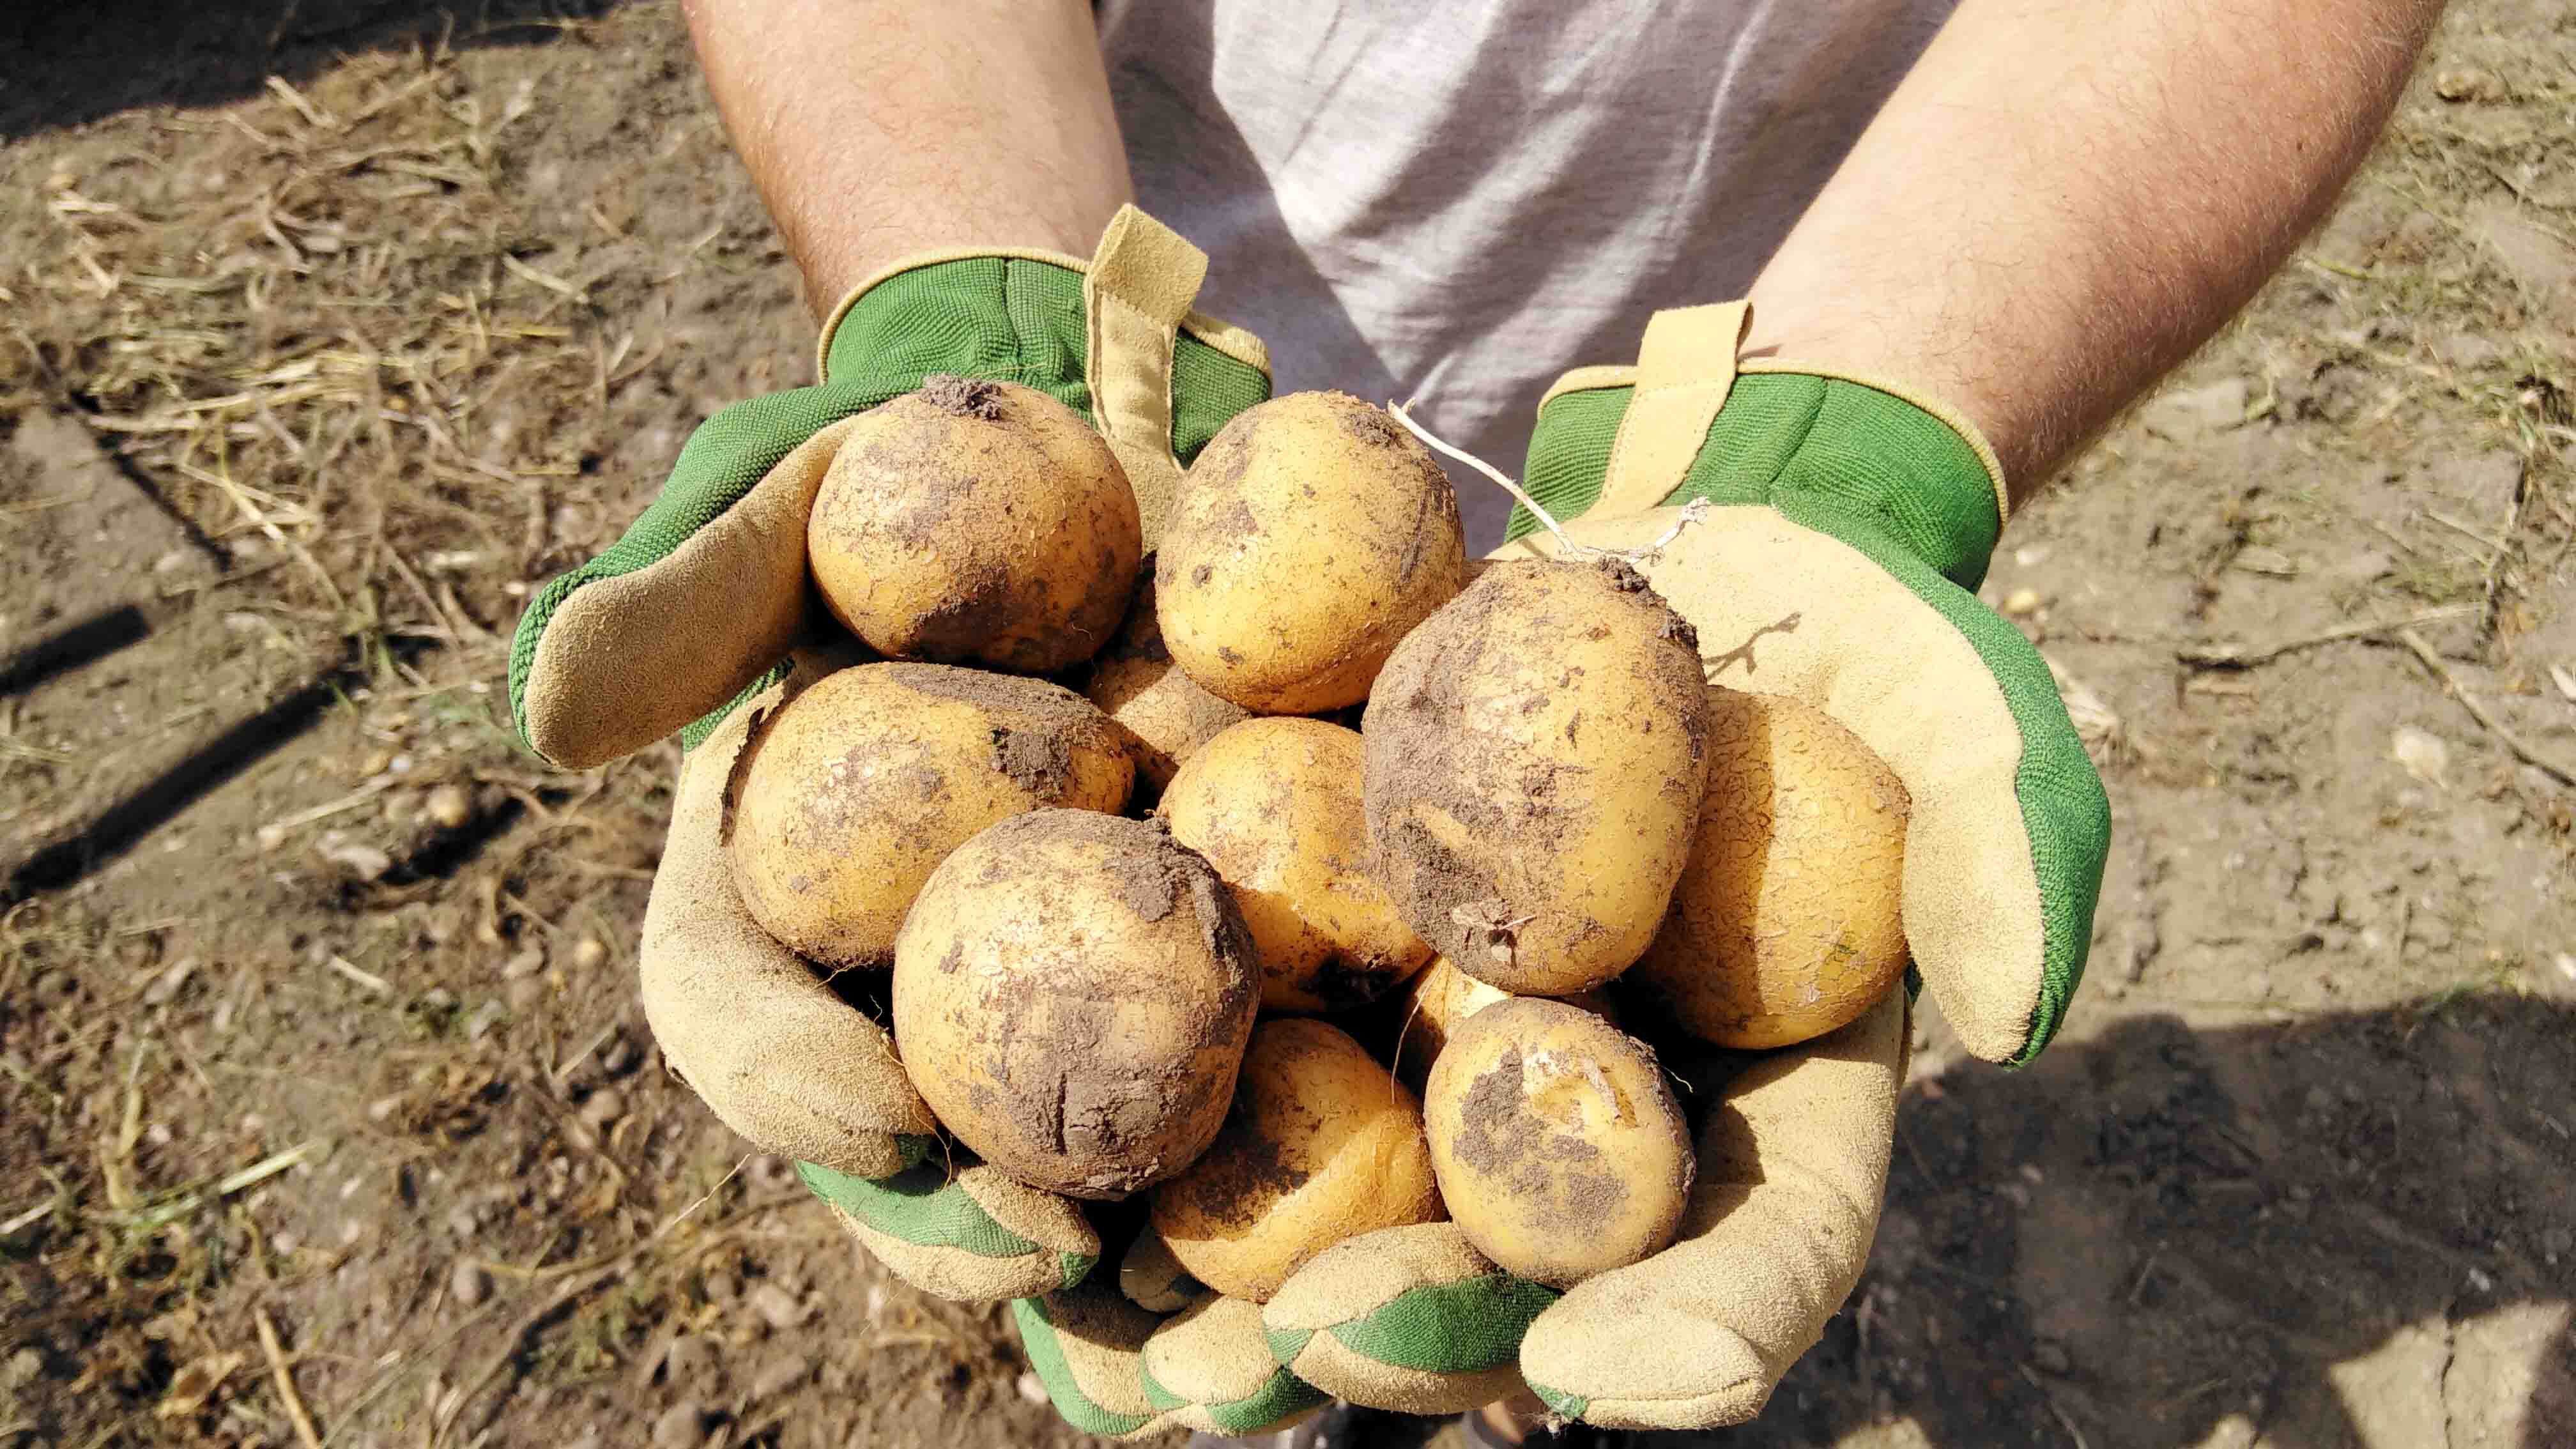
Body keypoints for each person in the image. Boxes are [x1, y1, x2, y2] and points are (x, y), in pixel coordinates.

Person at [507, 1, 2444, 1443]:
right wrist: (986, 330)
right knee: (1284, 1324)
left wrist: (1842, 439)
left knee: (1552, 1320)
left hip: (1812, 322)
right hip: (1154, 362)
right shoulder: (1145, 731)